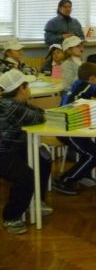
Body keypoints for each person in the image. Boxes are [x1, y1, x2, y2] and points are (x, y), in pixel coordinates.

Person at [0, 69, 53, 234]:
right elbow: (39, 117)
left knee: (43, 159)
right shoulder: (9, 106)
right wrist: (37, 112)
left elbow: (37, 112)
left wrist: (36, 111)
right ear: (21, 89)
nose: (29, 89)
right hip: (3, 152)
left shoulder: (15, 102)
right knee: (26, 175)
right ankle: (11, 217)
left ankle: (36, 201)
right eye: (27, 85)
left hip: (13, 147)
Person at [53, 62, 96, 195]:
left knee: (90, 151)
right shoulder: (90, 86)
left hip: (64, 125)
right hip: (69, 128)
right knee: (93, 155)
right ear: (92, 78)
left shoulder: (76, 84)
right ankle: (65, 180)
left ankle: (82, 174)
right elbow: (80, 102)